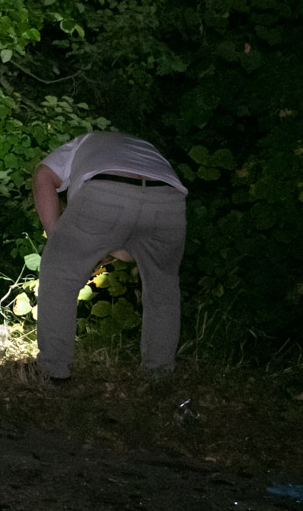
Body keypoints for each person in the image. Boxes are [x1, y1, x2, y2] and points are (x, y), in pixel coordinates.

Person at [31, 131, 187, 382]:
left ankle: (53, 370)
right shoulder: (145, 146)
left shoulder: (83, 141)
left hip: (105, 185)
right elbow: (127, 245)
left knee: (59, 277)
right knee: (163, 290)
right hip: (168, 197)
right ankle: (159, 374)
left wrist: (56, 239)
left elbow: (43, 176)